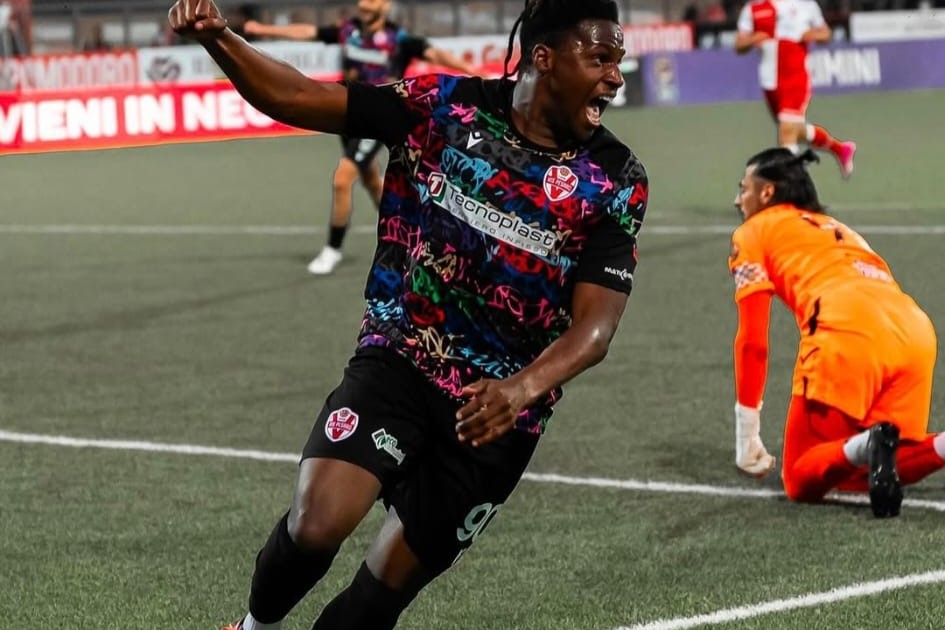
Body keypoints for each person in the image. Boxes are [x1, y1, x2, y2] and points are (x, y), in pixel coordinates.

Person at [168, 0, 647, 628]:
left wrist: (520, 389)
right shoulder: (442, 107)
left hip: (497, 413)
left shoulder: (616, 178)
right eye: (601, 58)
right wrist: (219, 37)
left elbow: (597, 327)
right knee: (316, 523)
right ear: (544, 58)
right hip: (400, 358)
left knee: (381, 590)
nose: (615, 76)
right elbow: (300, 97)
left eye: (618, 61)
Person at [728, 147, 945, 518]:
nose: (737, 200)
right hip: (915, 330)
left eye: (743, 188)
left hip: (847, 330)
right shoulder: (841, 229)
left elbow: (753, 341)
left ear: (767, 192)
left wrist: (746, 434)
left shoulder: (751, 232)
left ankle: (867, 443)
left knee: (800, 476)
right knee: (870, 463)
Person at [243, 0, 479, 275]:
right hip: (350, 117)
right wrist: (263, 29)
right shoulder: (348, 31)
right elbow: (307, 32)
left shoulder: (399, 38)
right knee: (371, 180)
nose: (364, 4)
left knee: (342, 179)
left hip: (378, 118)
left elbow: (437, 55)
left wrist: (478, 76)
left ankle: (332, 249)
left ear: (385, 5)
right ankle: (410, 232)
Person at [735, 0, 857, 178]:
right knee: (794, 130)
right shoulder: (753, 8)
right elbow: (739, 45)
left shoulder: (806, 5)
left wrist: (812, 35)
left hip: (796, 77)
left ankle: (792, 184)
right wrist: (753, 39)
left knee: (787, 131)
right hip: (769, 81)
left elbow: (826, 34)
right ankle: (841, 149)